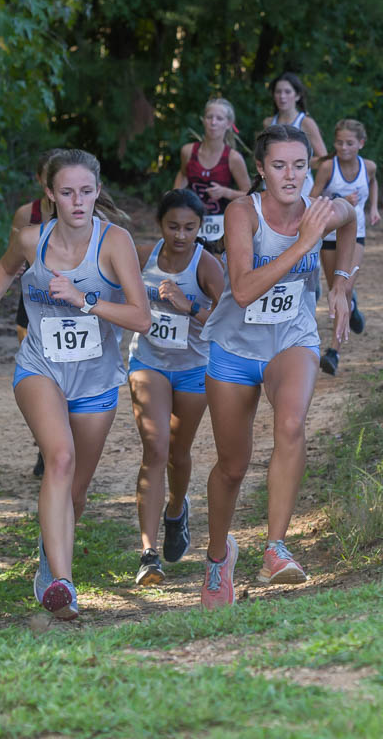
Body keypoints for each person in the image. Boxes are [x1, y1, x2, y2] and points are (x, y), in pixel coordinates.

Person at [0, 149, 149, 621]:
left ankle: (50, 561)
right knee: (58, 459)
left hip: (96, 378)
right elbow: (5, 269)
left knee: (76, 490)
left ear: (98, 191)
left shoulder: (115, 242)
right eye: (66, 192)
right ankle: (64, 583)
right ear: (50, 194)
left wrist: (86, 301)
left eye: (86, 191)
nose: (78, 201)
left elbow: (141, 317)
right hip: (40, 367)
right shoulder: (30, 240)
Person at [198, 124, 357, 609]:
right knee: (232, 466)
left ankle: (275, 549)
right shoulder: (241, 212)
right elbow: (243, 289)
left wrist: (342, 282)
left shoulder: (321, 209)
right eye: (279, 166)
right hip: (234, 346)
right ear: (261, 170)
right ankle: (217, 556)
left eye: (300, 166)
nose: (291, 176)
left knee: (291, 424)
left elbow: (349, 224)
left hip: (292, 336)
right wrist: (306, 242)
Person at [128, 189, 225, 585]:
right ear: (160, 225)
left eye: (189, 228)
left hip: (193, 368)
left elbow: (230, 318)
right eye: (173, 226)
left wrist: (190, 307)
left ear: (200, 227)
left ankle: (175, 510)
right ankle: (148, 555)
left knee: (178, 453)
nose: (181, 235)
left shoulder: (207, 265)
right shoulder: (143, 255)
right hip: (148, 361)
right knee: (155, 448)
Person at [310, 119, 380, 375]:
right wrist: (338, 199)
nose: (343, 147)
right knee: (335, 290)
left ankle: (333, 352)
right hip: (329, 236)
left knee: (345, 286)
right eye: (339, 142)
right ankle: (352, 308)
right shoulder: (329, 167)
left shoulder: (368, 166)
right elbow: (313, 197)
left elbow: (372, 182)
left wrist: (373, 206)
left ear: (361, 143)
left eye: (349, 143)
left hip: (356, 233)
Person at [11, 149, 60, 478]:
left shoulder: (86, 213)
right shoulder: (25, 214)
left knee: (65, 378)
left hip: (70, 305)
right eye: (50, 176)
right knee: (41, 374)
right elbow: (13, 258)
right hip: (33, 306)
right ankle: (47, 445)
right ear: (41, 181)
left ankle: (59, 444)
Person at [173, 98, 251, 250]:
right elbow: (183, 175)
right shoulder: (188, 151)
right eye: (209, 117)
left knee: (215, 269)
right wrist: (175, 197)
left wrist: (225, 192)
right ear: (204, 120)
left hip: (221, 228)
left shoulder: (233, 158)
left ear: (228, 124)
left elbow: (249, 194)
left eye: (219, 118)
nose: (213, 122)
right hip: (191, 223)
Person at [263, 72, 328, 196]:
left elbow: (324, 160)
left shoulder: (306, 123)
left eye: (287, 92)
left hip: (300, 187)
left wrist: (296, 162)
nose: (282, 96)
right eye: (278, 92)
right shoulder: (268, 123)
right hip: (272, 186)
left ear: (297, 95)